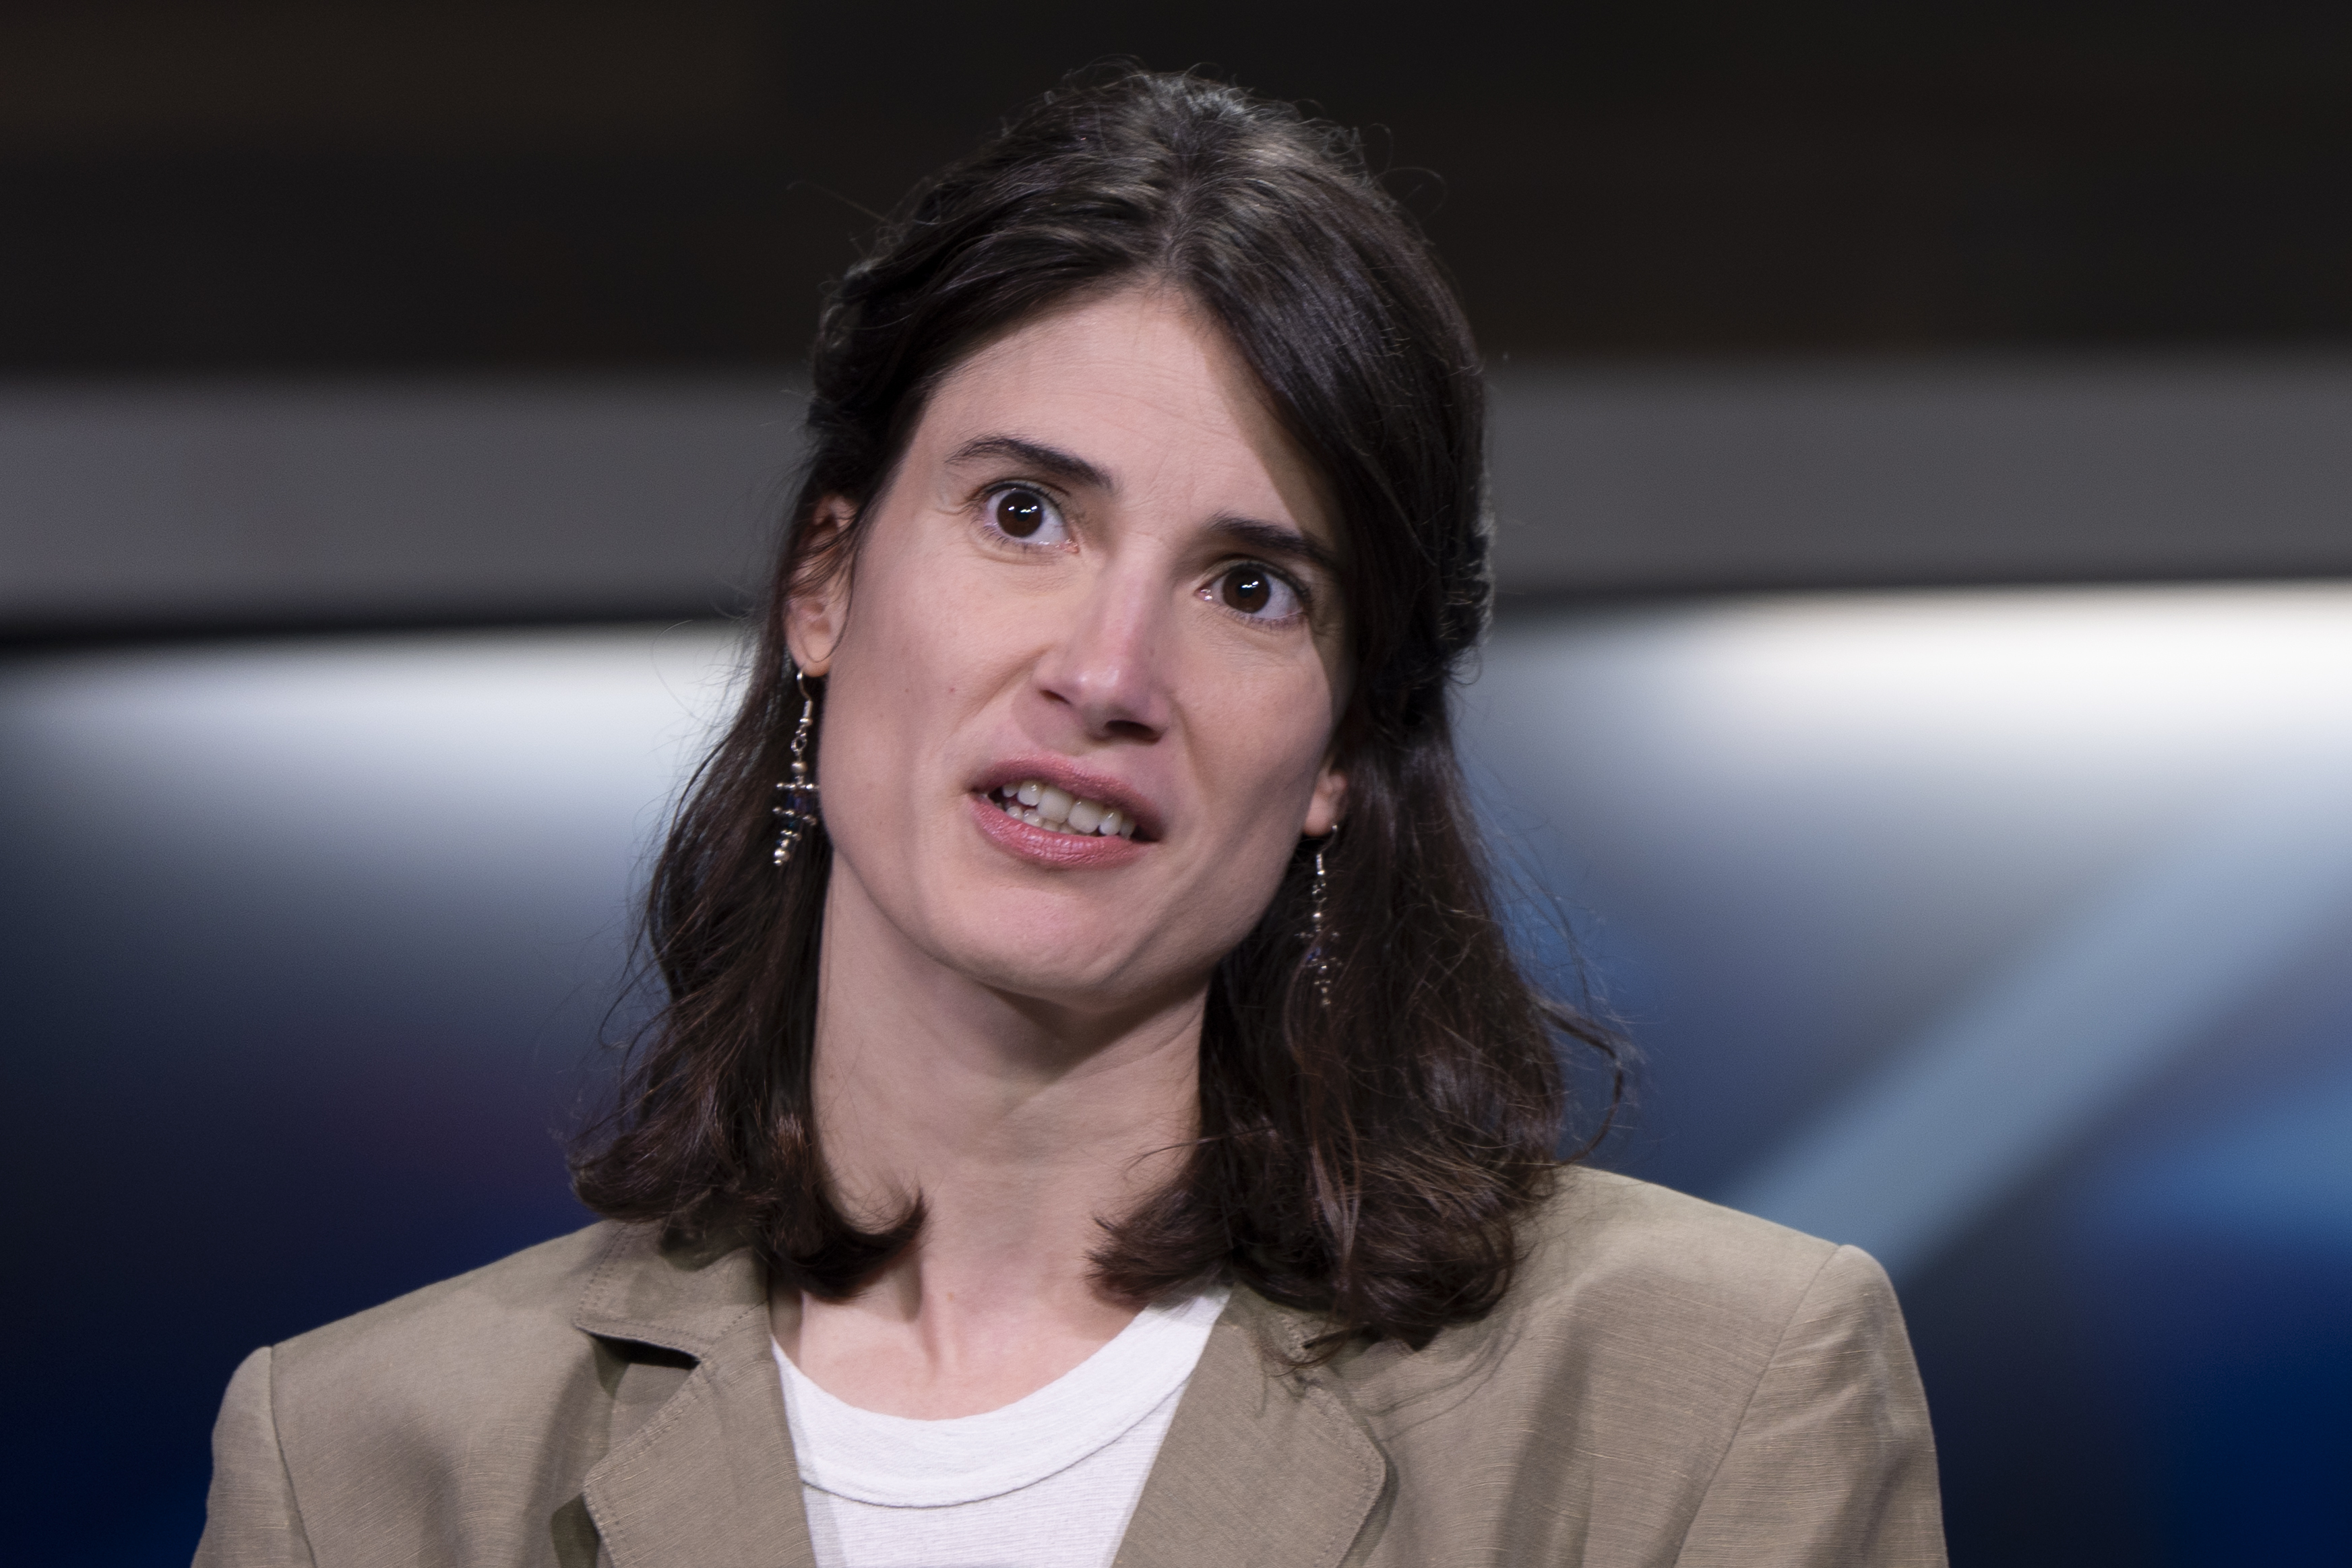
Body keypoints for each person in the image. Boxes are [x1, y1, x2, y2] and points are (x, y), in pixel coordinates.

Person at [195, 69, 1944, 1567]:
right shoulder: (366, 1464)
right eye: (1024, 513)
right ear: (826, 579)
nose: (1108, 670)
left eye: (1251, 586)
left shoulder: (1703, 1397)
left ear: (1344, 742)